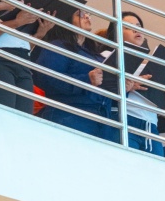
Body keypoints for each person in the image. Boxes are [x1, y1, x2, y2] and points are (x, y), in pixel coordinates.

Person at [34, 8, 115, 141]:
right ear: (66, 20)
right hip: (69, 116)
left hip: (101, 122)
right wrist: (86, 79)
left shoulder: (96, 55)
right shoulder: (58, 46)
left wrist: (126, 87)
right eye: (80, 14)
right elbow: (47, 78)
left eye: (88, 13)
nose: (87, 16)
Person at [103, 11, 164, 156]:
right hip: (123, 118)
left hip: (151, 125)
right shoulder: (107, 56)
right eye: (128, 26)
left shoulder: (153, 65)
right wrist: (128, 86)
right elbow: (101, 91)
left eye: (138, 26)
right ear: (116, 32)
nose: (136, 29)